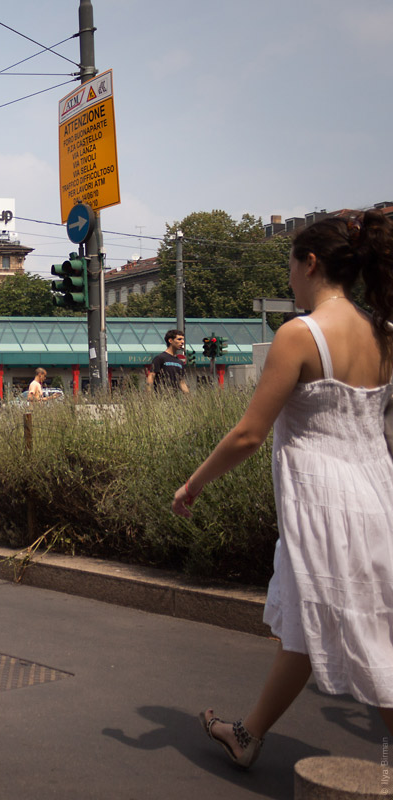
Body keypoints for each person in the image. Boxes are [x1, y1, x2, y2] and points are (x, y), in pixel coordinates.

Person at [172, 211, 393, 768]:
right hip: (377, 491)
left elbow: (249, 433)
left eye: (290, 264)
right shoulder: (382, 332)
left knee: (369, 637)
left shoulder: (300, 333)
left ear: (310, 263)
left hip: (325, 504)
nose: (289, 277)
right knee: (309, 619)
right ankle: (247, 735)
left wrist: (193, 484)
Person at [148, 329, 191, 394]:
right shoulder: (160, 358)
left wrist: (189, 397)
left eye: (183, 339)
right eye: (179, 339)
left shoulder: (180, 362)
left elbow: (181, 382)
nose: (182, 342)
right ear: (170, 340)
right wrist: (149, 395)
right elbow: (151, 376)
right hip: (160, 397)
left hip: (174, 399)